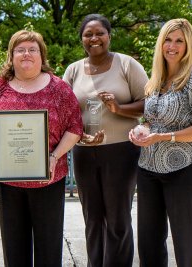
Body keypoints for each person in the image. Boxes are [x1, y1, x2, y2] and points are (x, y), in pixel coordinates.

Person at [0, 29, 83, 266]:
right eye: (20, 49)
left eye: (32, 49)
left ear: (41, 55)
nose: (26, 54)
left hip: (48, 178)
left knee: (48, 249)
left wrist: (54, 156)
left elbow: (75, 127)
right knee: (14, 248)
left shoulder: (59, 88)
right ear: (11, 55)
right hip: (9, 181)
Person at [129, 18, 192, 267]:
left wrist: (165, 137)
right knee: (148, 243)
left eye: (179, 40)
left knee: (185, 243)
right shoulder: (155, 80)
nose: (172, 45)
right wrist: (140, 129)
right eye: (168, 39)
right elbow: (149, 120)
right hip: (148, 168)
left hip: (184, 169)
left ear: (188, 45)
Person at [63, 14, 148, 267]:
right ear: (82, 40)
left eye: (99, 33)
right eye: (88, 34)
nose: (94, 38)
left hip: (121, 151)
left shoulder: (127, 64)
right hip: (83, 151)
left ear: (109, 36)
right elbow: (64, 112)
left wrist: (118, 108)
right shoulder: (73, 70)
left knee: (118, 218)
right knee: (92, 218)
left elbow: (149, 104)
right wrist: (80, 134)